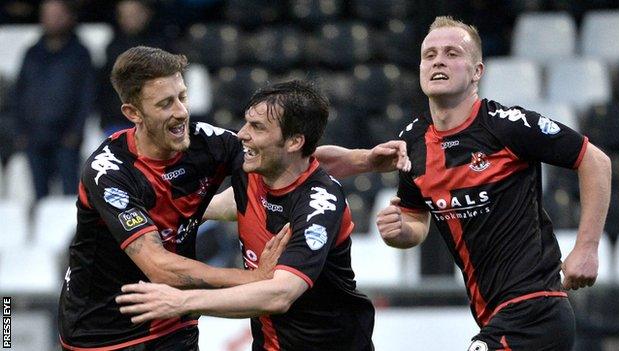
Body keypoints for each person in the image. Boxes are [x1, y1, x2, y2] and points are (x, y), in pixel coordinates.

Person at [59, 46, 409, 350]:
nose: (181, 111)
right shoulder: (109, 171)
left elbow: (285, 156)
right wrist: (254, 278)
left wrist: (365, 160)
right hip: (102, 328)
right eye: (166, 103)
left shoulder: (205, 143)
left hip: (174, 319)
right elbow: (159, 266)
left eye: (183, 96)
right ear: (133, 113)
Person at [374, 16, 611, 350]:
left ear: (477, 72)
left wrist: (587, 247)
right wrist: (400, 231)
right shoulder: (412, 142)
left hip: (536, 308)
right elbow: (416, 218)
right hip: (492, 315)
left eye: (452, 53)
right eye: (430, 55)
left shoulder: (507, 126)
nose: (438, 60)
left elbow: (595, 161)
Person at [116, 81, 377, 350]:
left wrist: (182, 301)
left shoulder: (319, 204)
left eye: (257, 127)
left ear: (294, 141)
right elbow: (228, 204)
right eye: (246, 122)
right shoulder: (254, 170)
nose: (241, 134)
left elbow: (280, 294)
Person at [13, 0, 95, 200]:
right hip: (33, 136)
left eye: (57, 15)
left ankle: (74, 232)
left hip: (66, 137)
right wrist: (19, 132)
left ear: (69, 17)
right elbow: (18, 95)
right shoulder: (31, 53)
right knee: (39, 197)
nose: (52, 20)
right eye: (48, 15)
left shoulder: (80, 54)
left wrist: (76, 131)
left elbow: (86, 96)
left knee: (71, 197)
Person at [97, 0, 171, 136]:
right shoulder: (113, 48)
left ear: (146, 14)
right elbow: (104, 88)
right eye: (125, 15)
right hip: (117, 121)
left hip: (153, 122)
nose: (129, 19)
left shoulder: (162, 46)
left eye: (134, 14)